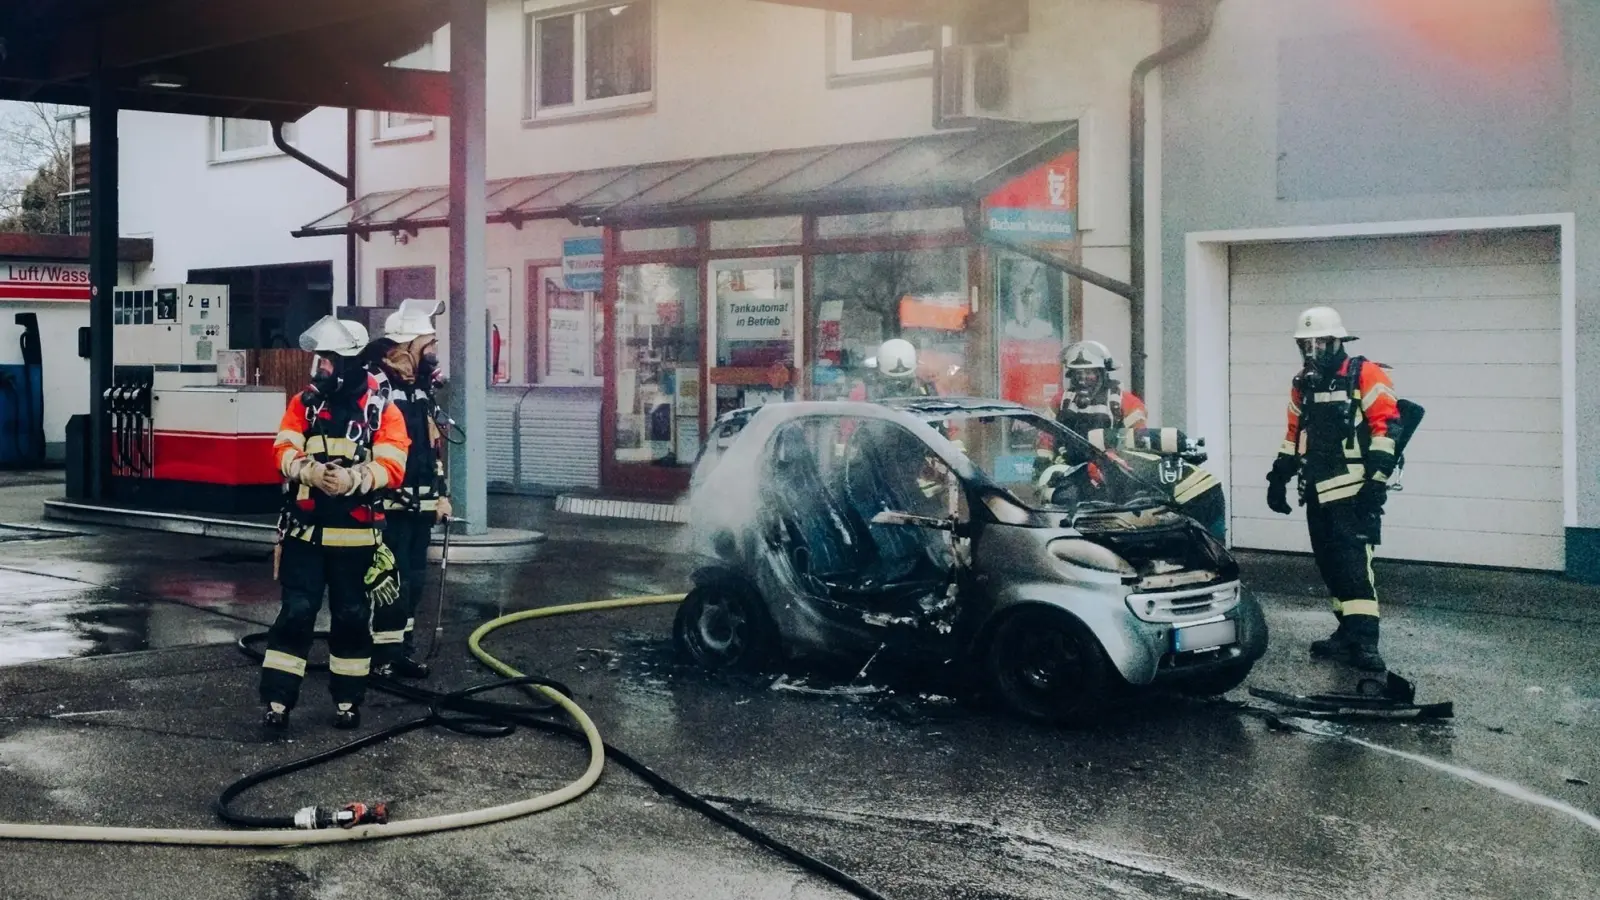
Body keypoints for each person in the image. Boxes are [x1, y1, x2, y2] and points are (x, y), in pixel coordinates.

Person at [262, 315, 410, 730]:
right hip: (304, 535)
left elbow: (394, 464)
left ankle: (348, 700)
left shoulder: (383, 410)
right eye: (319, 361)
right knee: (297, 612)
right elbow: (281, 450)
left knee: (350, 616)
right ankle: (276, 702)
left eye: (326, 361)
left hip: (357, 538)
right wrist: (307, 471)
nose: (319, 369)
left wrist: (354, 478)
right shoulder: (303, 404)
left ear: (348, 364)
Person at [1265, 306, 1399, 672]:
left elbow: (1387, 427)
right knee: (1329, 567)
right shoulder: (1302, 383)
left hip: (1354, 492)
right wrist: (1279, 476)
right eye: (1305, 344)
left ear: (1337, 341)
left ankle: (1366, 643)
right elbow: (1294, 434)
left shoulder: (1365, 374)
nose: (1312, 351)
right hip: (1317, 492)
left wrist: (1376, 481)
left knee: (1355, 568)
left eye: (1319, 343)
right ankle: (1346, 633)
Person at [367, 298, 452, 680]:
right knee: (390, 579)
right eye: (428, 345)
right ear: (407, 346)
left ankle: (401, 649)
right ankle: (381, 653)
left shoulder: (419, 391)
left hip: (421, 504)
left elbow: (432, 447)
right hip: (388, 506)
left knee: (414, 579)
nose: (434, 353)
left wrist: (442, 492)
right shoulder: (377, 387)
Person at [1052, 340, 1147, 437]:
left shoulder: (1125, 402)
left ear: (1102, 375)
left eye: (1089, 373)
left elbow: (1138, 438)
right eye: (1078, 373)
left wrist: (1114, 449)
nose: (1082, 379)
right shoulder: (1061, 401)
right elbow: (1045, 435)